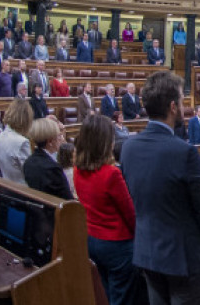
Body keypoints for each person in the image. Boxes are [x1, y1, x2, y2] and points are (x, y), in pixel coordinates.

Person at [120, 70, 200, 305]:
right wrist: (197, 245)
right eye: (182, 103)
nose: (184, 108)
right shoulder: (184, 152)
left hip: (147, 254)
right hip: (183, 259)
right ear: (173, 107)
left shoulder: (128, 147)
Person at [74, 115, 138, 305]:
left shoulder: (78, 168)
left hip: (92, 239)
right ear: (104, 142)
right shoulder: (111, 174)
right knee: (122, 297)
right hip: (117, 245)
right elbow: (130, 214)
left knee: (105, 293)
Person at [23, 117, 73, 199]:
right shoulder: (53, 169)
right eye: (59, 136)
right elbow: (67, 199)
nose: (62, 139)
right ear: (50, 142)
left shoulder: (29, 162)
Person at [0, 98, 33, 184]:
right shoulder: (22, 142)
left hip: (6, 186)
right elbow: (30, 174)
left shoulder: (1, 135)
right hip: (22, 191)